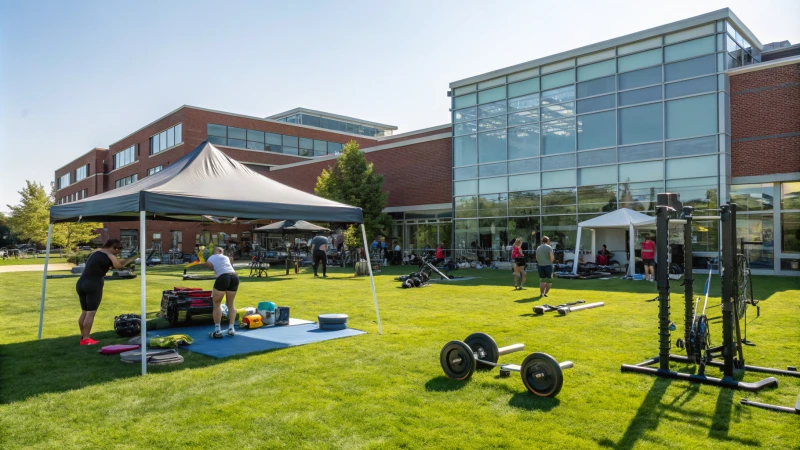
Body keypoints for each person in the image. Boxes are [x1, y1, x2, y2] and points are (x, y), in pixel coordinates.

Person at [75, 239, 138, 346]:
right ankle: (86, 339)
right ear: (114, 247)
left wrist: (128, 259)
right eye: (117, 249)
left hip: (81, 282)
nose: (117, 252)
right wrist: (132, 258)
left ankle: (83, 337)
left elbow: (117, 264)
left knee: (84, 312)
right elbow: (119, 266)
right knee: (91, 312)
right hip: (93, 284)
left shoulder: (96, 251)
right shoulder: (110, 255)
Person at [205, 246, 239, 338]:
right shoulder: (226, 257)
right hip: (234, 277)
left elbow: (209, 267)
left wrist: (204, 262)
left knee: (216, 304)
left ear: (215, 251)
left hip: (223, 277)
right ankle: (231, 329)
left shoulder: (212, 257)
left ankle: (217, 330)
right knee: (230, 304)